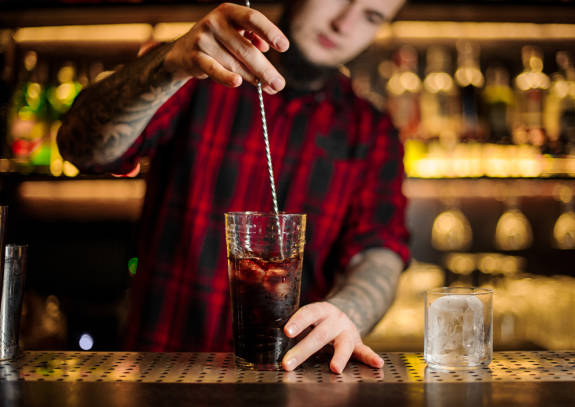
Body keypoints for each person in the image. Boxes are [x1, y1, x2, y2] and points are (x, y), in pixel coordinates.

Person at [58, 0, 409, 374]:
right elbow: (82, 149)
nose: (343, 24)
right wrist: (167, 67)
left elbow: (378, 250)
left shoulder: (371, 131)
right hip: (161, 375)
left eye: (370, 16)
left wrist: (348, 311)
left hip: (290, 379)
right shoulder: (198, 71)